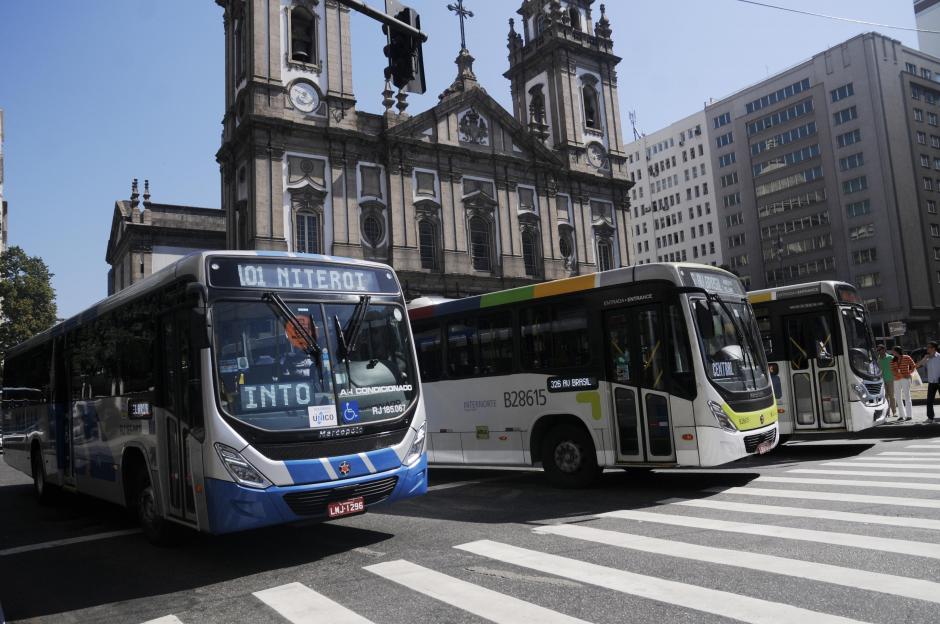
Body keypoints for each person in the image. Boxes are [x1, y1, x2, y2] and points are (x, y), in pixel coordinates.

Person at [891, 346, 917, 421]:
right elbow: (892, 370)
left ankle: (909, 415)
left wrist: (909, 373)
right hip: (896, 379)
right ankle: (901, 415)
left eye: (893, 351)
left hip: (906, 379)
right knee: (898, 397)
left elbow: (913, 366)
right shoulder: (893, 360)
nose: (892, 352)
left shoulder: (907, 357)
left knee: (907, 396)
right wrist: (899, 375)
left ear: (897, 351)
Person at [917, 341, 940, 421]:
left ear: (934, 348)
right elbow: (917, 365)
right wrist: (924, 358)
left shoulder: (939, 357)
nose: (927, 349)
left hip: (939, 381)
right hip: (931, 382)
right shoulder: (926, 358)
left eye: (929, 347)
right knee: (929, 401)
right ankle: (930, 417)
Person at [877, 344, 896, 419]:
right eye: (878, 350)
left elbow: (896, 367)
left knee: (892, 396)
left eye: (879, 350)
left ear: (884, 350)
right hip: (882, 381)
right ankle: (887, 413)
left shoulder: (891, 357)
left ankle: (894, 412)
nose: (878, 351)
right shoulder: (878, 360)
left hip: (891, 379)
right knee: (885, 397)